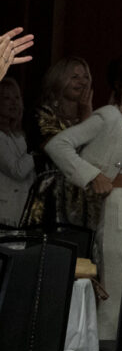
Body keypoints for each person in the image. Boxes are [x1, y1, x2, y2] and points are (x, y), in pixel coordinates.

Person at [44, 55, 122, 339]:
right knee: (118, 289)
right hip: (120, 207)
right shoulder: (109, 116)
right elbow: (58, 144)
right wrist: (91, 175)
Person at [32, 55, 95, 226]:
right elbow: (58, 151)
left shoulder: (93, 116)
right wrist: (86, 119)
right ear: (58, 79)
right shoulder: (43, 113)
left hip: (84, 197)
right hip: (52, 195)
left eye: (86, 77)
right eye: (75, 77)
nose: (82, 82)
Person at [0, 78, 35, 226]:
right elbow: (18, 170)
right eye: (7, 98)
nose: (13, 103)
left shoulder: (19, 135)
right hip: (5, 212)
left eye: (16, 97)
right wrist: (36, 150)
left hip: (24, 211)